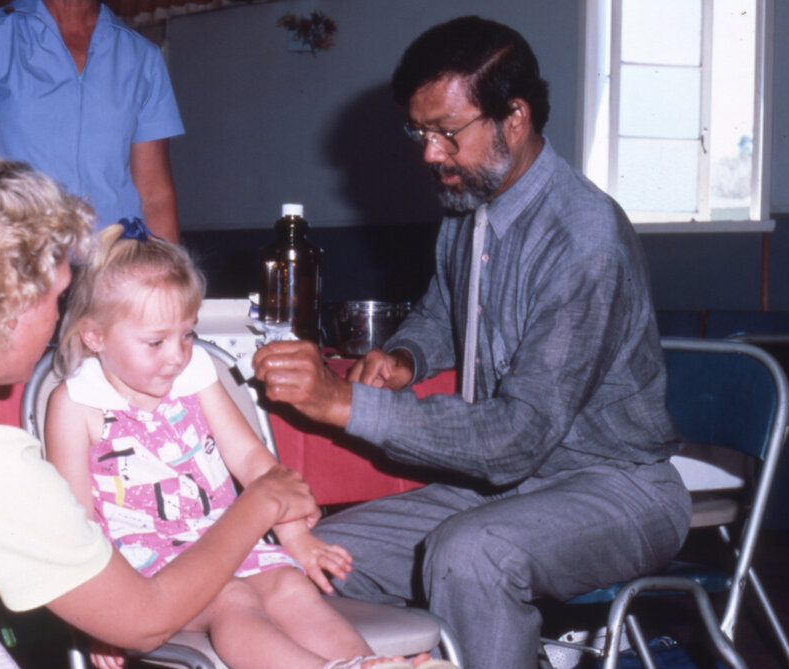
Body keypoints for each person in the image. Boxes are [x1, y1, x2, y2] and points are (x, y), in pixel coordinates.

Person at [253, 16, 692, 669]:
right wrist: (407, 357)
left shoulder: (584, 240)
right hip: (512, 488)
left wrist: (343, 401)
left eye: (446, 132)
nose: (430, 153)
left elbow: (516, 436)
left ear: (512, 118)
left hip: (618, 487)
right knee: (306, 557)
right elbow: (445, 310)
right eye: (420, 131)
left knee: (473, 552)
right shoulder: (470, 204)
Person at [0, 155, 320, 668]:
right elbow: (144, 618)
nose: (61, 317)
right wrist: (261, 504)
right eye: (59, 297)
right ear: (9, 309)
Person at [45, 219, 455, 669]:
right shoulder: (75, 404)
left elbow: (252, 459)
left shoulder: (194, 374)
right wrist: (103, 620)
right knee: (233, 598)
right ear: (94, 336)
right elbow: (77, 528)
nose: (177, 355)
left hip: (226, 540)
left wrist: (295, 536)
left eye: (186, 334)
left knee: (291, 586)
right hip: (146, 575)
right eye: (156, 342)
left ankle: (363, 664)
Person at [0, 0, 182, 242]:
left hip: (114, 269)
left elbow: (154, 196)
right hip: (15, 265)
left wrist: (172, 282)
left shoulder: (142, 57)